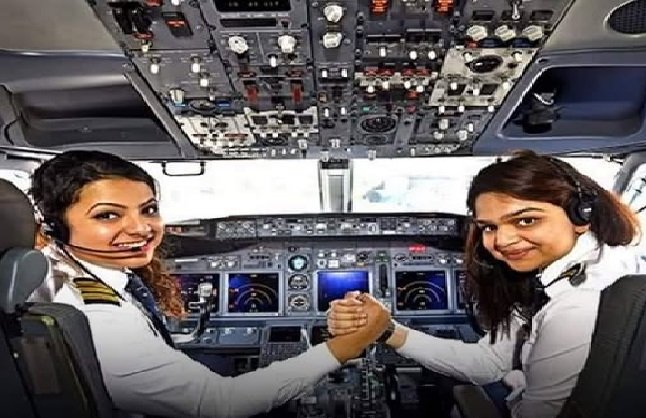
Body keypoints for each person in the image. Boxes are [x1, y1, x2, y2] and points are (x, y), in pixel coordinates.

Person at [29, 150, 391, 418]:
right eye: (108, 215)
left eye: (149, 209)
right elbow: (221, 404)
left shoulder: (56, 273)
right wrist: (355, 341)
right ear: (54, 228)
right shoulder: (99, 315)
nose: (141, 229)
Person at [327, 150, 645, 418]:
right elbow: (490, 363)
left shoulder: (575, 306)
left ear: (581, 215)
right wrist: (388, 331)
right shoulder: (597, 267)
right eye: (489, 227)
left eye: (526, 220)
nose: (502, 241)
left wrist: (516, 384)